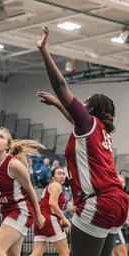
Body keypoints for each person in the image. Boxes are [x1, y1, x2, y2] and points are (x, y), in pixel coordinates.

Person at [36, 25, 129, 256]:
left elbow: (60, 86)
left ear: (92, 109)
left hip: (100, 201)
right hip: (118, 201)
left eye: (86, 102)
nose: (81, 104)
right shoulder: (100, 130)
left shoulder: (88, 123)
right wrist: (57, 105)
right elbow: (74, 119)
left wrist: (43, 50)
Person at [0, 128, 45, 256]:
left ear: (7, 146)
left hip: (21, 211)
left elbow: (31, 191)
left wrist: (38, 215)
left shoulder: (14, 165)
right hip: (7, 210)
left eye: (1, 137)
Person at [31, 168, 70, 256]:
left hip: (40, 220)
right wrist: (64, 218)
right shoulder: (56, 185)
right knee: (65, 252)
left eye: (63, 174)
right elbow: (52, 203)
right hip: (49, 219)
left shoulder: (50, 185)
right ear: (52, 177)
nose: (62, 176)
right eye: (59, 174)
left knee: (37, 253)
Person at [112, 175, 128, 256]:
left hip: (116, 228)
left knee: (114, 253)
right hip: (113, 228)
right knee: (123, 253)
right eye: (118, 181)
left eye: (121, 182)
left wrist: (127, 221)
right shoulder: (113, 195)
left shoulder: (122, 195)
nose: (120, 183)